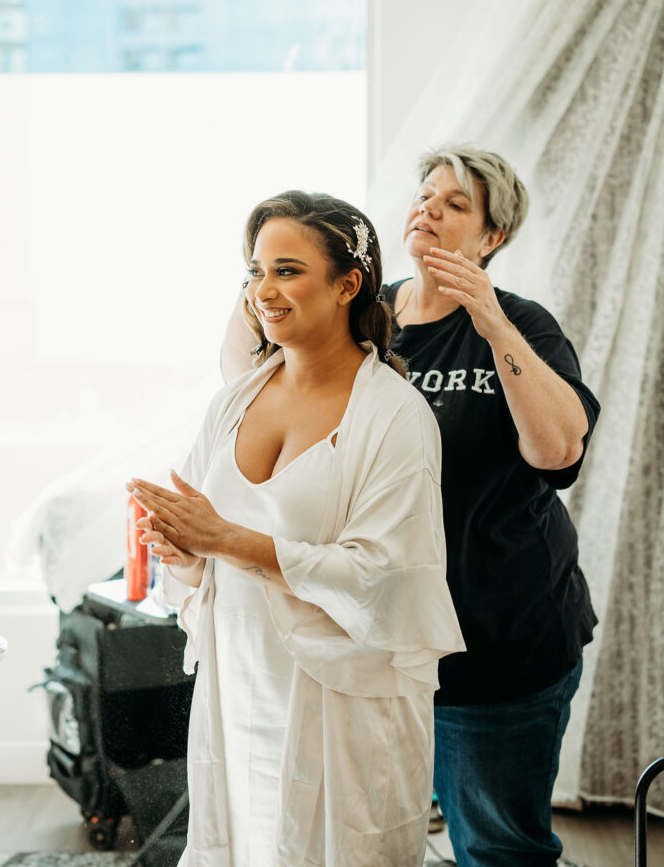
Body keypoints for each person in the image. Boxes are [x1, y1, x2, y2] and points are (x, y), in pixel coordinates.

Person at [222, 144, 601, 867]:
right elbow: (248, 376)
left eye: (456, 204)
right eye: (424, 196)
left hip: (496, 646)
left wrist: (488, 319)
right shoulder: (363, 315)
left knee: (496, 847)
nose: (428, 209)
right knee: (375, 839)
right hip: (374, 641)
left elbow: (557, 452)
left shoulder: (520, 326)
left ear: (491, 239)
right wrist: (267, 272)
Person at [126, 191, 465, 867]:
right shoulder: (234, 400)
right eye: (254, 272)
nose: (262, 290)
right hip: (239, 684)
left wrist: (225, 539)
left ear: (347, 284)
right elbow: (201, 549)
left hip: (341, 702)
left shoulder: (395, 417)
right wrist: (184, 548)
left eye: (286, 270)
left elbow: (385, 580)